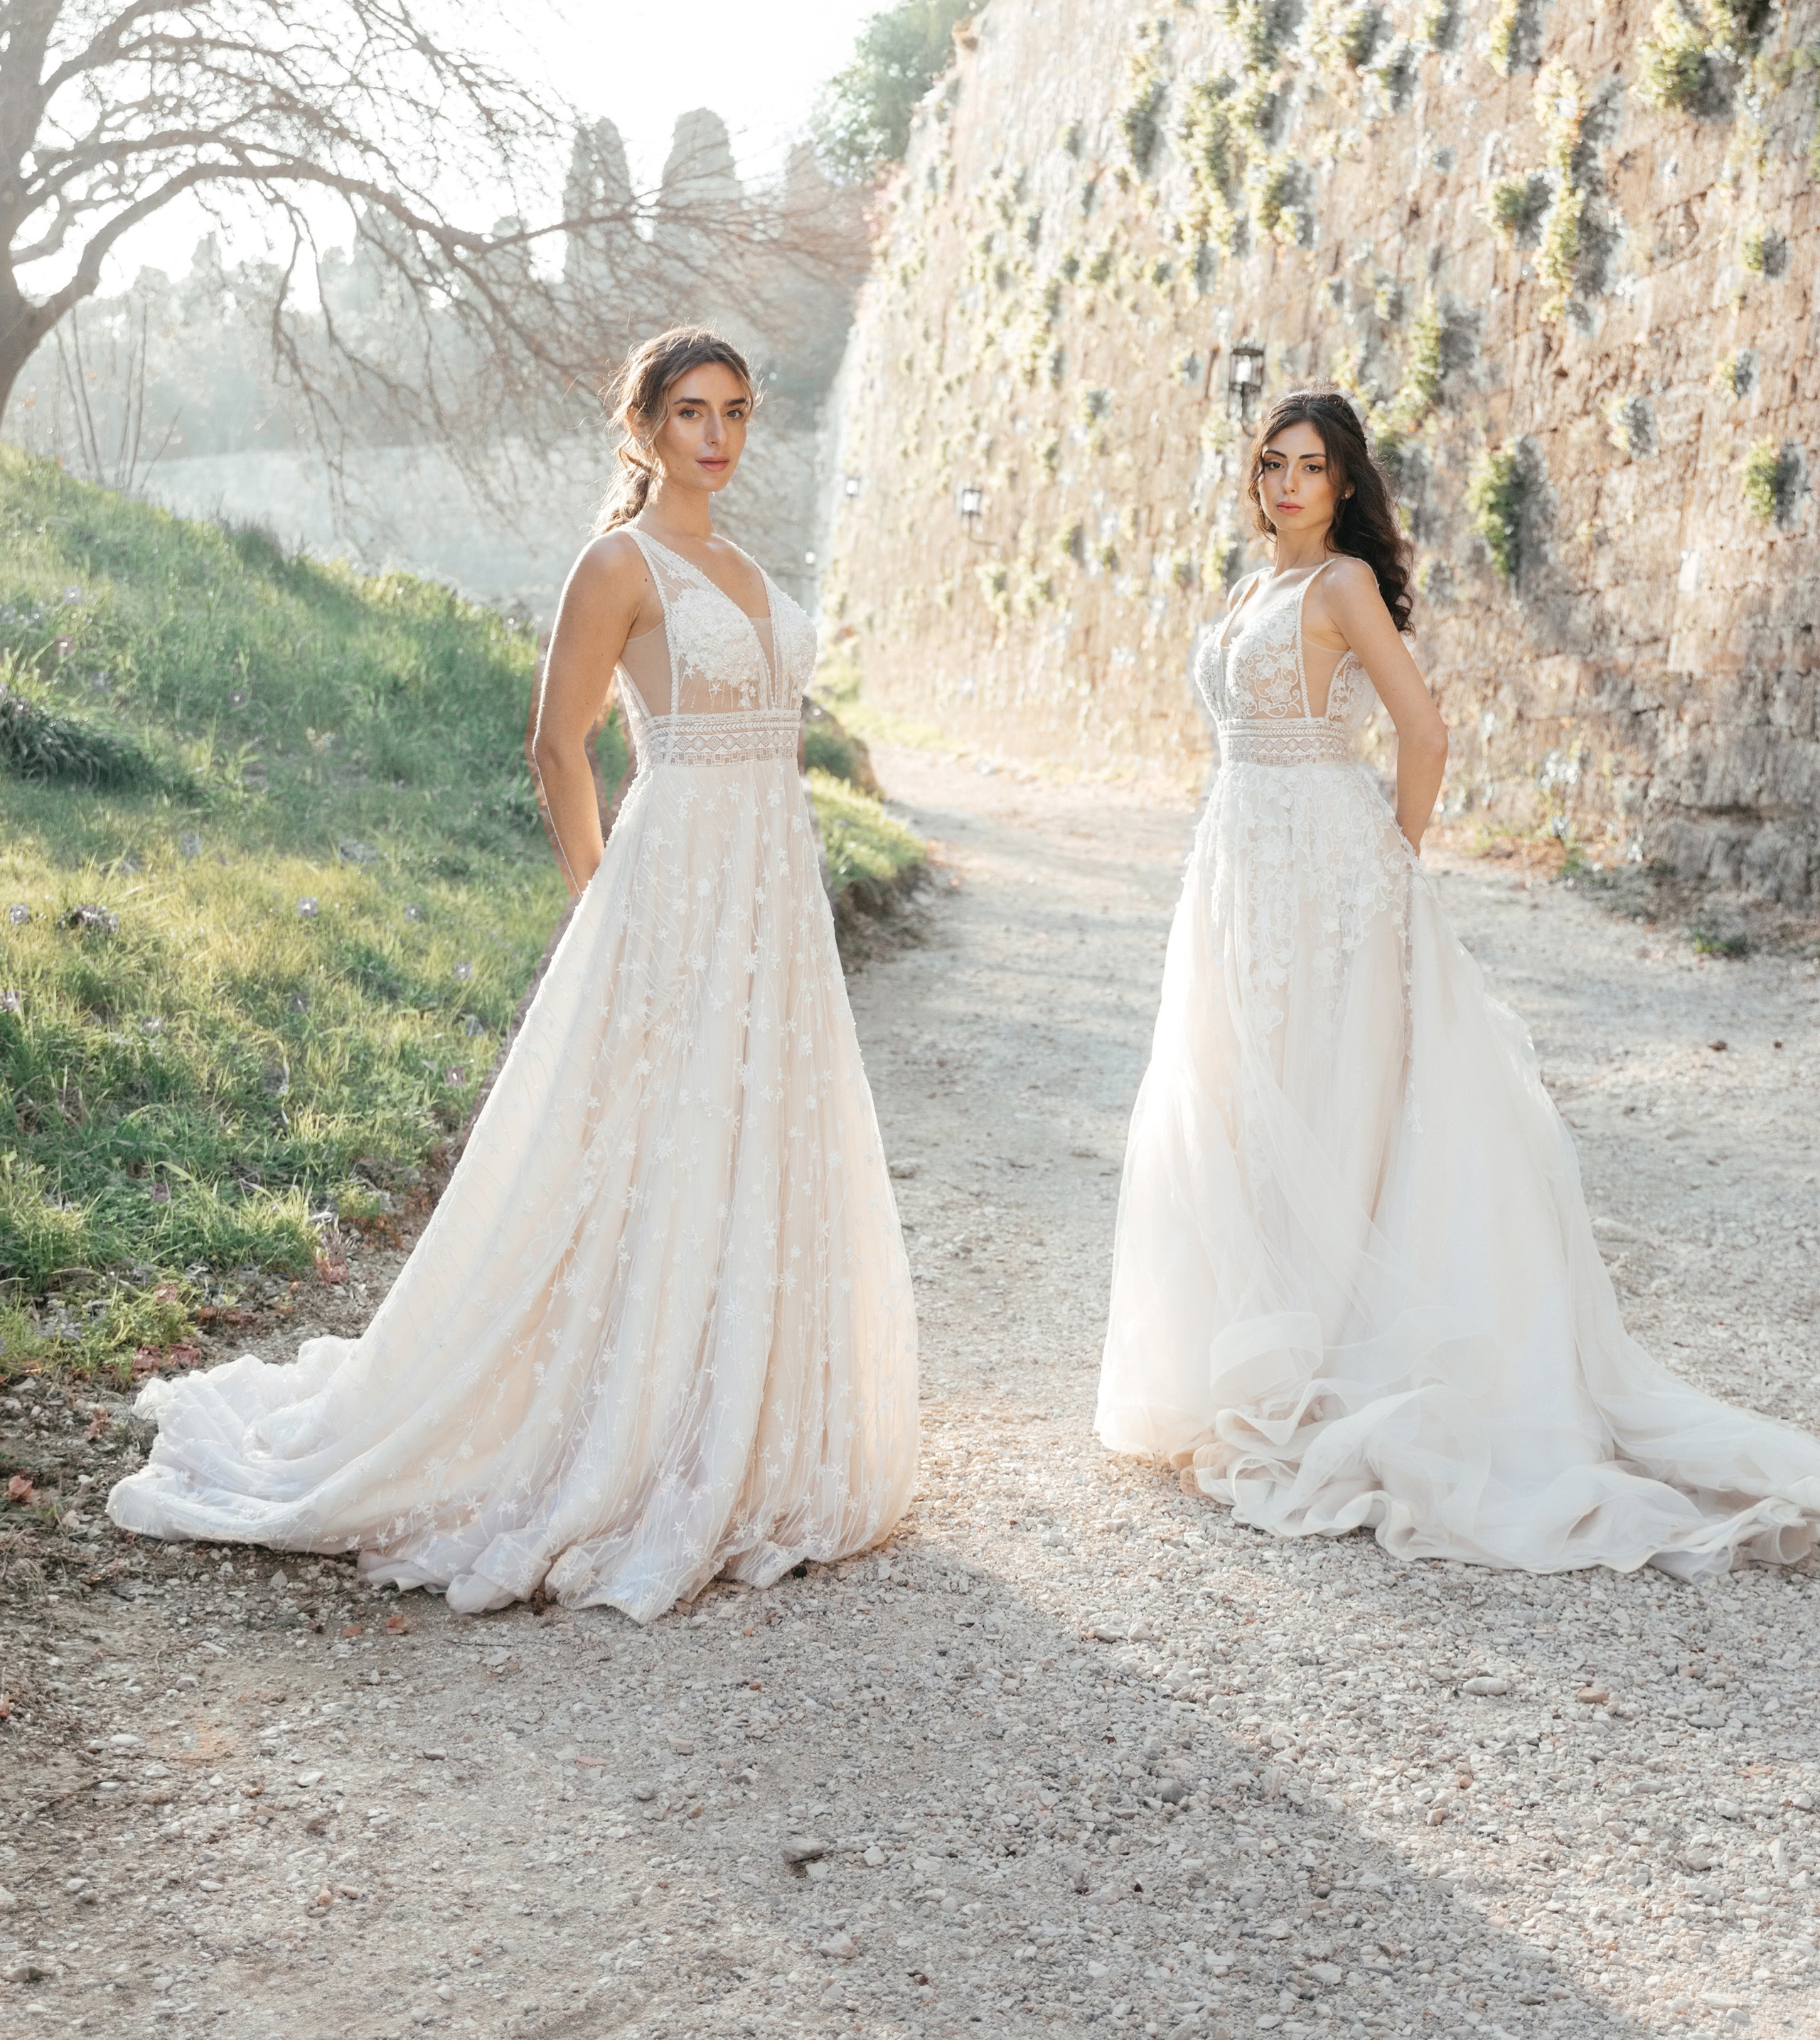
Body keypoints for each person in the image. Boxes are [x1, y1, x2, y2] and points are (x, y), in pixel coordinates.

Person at [110, 327, 918, 1620]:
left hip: (775, 893)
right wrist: (611, 905)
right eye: (693, 412)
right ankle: (614, 1423)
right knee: (649, 1134)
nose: (718, 435)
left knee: (759, 1129)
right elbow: (559, 744)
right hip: (673, 889)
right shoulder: (619, 564)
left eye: (738, 413)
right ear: (644, 425)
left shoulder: (749, 567)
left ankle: (738, 1418)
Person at [1096, 385, 1820, 1575]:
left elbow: (1423, 731)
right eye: (1272, 462)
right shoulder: (1247, 593)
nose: (1286, 483)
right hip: (1235, 873)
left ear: (1344, 487)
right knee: (1239, 1099)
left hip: (1331, 876)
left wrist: (1388, 866)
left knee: (1334, 1102)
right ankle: (1260, 1343)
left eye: (1311, 466)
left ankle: (1335, 1350)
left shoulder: (1340, 587)